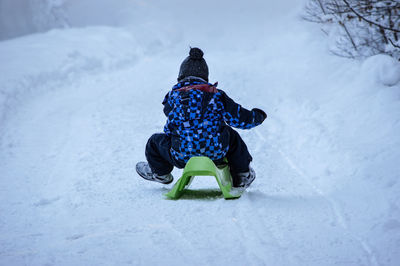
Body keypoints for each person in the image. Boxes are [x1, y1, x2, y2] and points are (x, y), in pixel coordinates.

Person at [136, 47, 267, 188]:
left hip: (181, 155)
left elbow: (170, 128)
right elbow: (240, 119)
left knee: (155, 141)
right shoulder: (217, 95)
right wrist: (257, 117)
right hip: (216, 152)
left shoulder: (172, 98)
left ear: (180, 76)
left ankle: (160, 173)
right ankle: (242, 175)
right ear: (205, 77)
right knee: (232, 135)